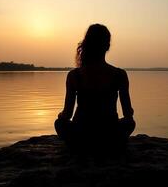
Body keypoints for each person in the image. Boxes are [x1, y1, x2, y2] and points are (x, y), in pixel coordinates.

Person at [54, 24, 135, 152]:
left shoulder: (74, 75)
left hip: (81, 134)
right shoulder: (119, 74)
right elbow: (128, 114)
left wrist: (60, 116)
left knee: (59, 123)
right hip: (109, 134)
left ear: (87, 44)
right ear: (107, 46)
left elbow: (67, 114)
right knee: (130, 123)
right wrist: (129, 112)